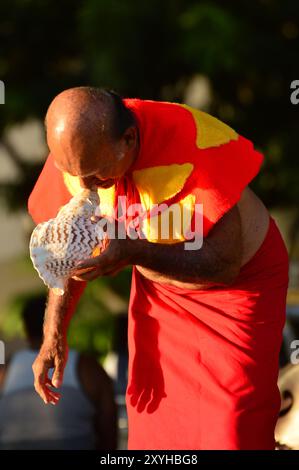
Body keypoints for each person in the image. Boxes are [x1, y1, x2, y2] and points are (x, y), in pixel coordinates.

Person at [28, 87, 289, 450]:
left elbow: (223, 266)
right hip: (163, 294)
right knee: (156, 429)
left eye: (98, 175)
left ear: (128, 140)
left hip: (236, 290)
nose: (85, 188)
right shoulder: (78, 156)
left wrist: (134, 251)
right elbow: (69, 252)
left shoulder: (191, 143)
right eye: (74, 174)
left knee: (231, 429)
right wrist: (54, 333)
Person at [0, 295, 117, 449]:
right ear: (64, 321)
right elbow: (109, 429)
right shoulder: (87, 368)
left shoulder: (6, 371)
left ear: (25, 329)